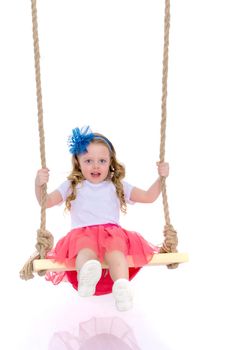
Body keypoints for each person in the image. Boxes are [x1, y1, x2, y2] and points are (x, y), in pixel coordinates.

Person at [35, 126, 169, 311]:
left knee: (116, 255)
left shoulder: (117, 185)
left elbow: (148, 196)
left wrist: (161, 178)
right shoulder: (72, 185)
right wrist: (39, 184)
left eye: (102, 160)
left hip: (111, 234)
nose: (96, 165)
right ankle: (87, 277)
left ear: (110, 162)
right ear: (78, 162)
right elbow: (46, 202)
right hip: (82, 234)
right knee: (85, 253)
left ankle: (121, 287)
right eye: (88, 160)